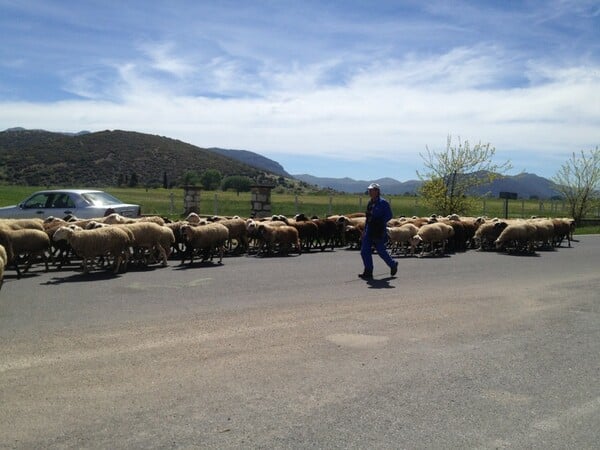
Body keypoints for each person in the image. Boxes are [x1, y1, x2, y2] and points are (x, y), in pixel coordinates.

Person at [358, 183, 398, 279]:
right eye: (369, 190)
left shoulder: (383, 203)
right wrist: (364, 230)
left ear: (377, 191)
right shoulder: (370, 203)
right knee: (364, 251)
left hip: (379, 230)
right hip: (369, 229)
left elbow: (389, 215)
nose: (370, 192)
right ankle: (368, 271)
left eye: (372, 190)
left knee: (380, 250)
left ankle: (393, 264)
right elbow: (368, 217)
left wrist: (380, 222)